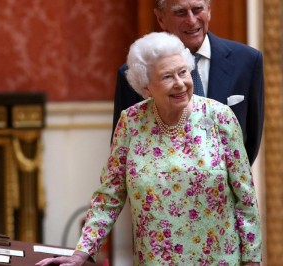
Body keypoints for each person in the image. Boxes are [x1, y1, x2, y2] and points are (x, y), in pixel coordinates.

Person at [36, 32, 261, 265]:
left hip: (219, 260)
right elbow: (109, 196)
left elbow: (245, 198)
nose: (180, 83)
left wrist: (252, 260)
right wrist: (80, 253)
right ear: (146, 87)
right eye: (167, 77)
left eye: (183, 72)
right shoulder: (131, 122)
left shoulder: (220, 118)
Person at [112, 0, 264, 166]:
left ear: (209, 11)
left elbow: (251, 140)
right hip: (160, 188)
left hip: (222, 188)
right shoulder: (135, 73)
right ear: (161, 18)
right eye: (180, 12)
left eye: (197, 9)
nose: (191, 20)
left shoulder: (248, 62)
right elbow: (123, 151)